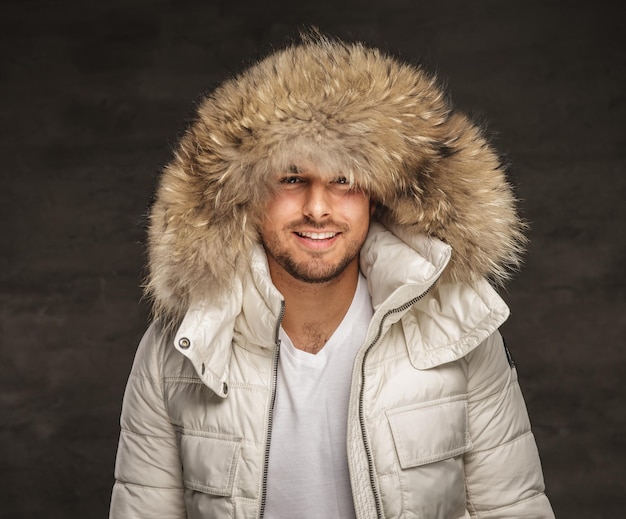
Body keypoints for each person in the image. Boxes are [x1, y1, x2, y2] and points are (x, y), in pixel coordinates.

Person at [109, 34, 555, 519]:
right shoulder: (180, 349)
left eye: (343, 180)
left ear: (376, 195)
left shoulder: (456, 332)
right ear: (246, 196)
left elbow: (511, 508)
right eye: (292, 178)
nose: (317, 208)